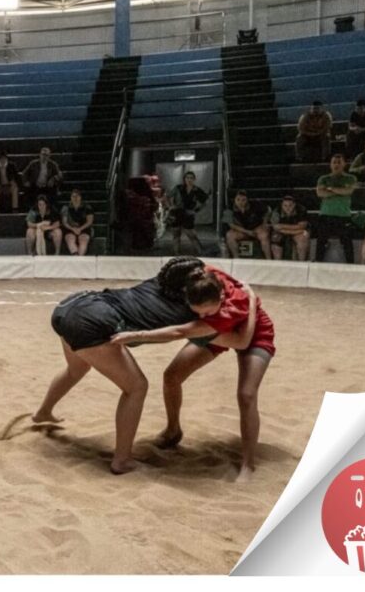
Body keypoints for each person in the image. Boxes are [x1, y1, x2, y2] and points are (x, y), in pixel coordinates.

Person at [33, 257, 258, 475]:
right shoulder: (189, 316)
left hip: (71, 305)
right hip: (90, 323)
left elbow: (198, 270)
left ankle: (43, 412)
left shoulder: (162, 282)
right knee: (136, 387)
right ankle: (122, 461)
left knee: (76, 369)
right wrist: (250, 301)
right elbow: (239, 341)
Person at [110, 264, 271, 482]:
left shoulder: (234, 306)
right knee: (172, 376)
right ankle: (173, 430)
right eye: (198, 312)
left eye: (206, 312)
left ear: (220, 297)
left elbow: (240, 341)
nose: (201, 315)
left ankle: (248, 464)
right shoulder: (204, 277)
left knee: (247, 394)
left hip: (252, 334)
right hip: (215, 332)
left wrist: (251, 301)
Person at [315, 154, 358, 264]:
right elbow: (320, 193)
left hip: (343, 215)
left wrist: (330, 189)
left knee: (347, 242)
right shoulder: (323, 178)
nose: (336, 165)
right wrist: (340, 191)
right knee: (321, 241)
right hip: (326, 214)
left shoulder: (351, 178)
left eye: (339, 162)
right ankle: (318, 263)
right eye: (334, 162)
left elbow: (348, 191)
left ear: (344, 164)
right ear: (330, 164)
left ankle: (351, 265)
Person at [167, 171, 208, 254]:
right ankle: (176, 254)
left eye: (191, 178)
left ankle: (201, 254)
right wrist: (170, 207)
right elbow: (167, 196)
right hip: (177, 213)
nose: (189, 180)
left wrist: (196, 210)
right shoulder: (178, 188)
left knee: (192, 236)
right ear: (184, 179)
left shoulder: (197, 190)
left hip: (188, 214)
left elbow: (204, 202)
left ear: (194, 179)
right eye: (187, 178)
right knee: (176, 235)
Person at [223, 190, 270, 259]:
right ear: (234, 200)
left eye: (243, 200)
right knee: (229, 235)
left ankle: (269, 259)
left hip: (256, 229)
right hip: (242, 230)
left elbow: (268, 210)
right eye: (238, 200)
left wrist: (264, 223)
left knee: (264, 235)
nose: (240, 202)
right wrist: (247, 232)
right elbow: (231, 225)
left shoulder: (256, 205)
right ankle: (236, 258)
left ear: (247, 200)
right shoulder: (229, 209)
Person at [269, 195, 310, 261]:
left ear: (294, 205)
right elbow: (276, 228)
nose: (287, 208)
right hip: (292, 231)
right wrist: (298, 230)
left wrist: (282, 226)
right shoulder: (276, 211)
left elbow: (302, 226)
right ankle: (277, 263)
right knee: (275, 238)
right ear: (282, 205)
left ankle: (302, 263)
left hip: (296, 232)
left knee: (303, 239)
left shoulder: (301, 209)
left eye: (290, 205)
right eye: (285, 205)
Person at [61, 189, 94, 256]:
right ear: (71, 198)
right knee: (70, 239)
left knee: (83, 240)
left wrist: (80, 229)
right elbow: (64, 222)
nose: (75, 198)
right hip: (70, 229)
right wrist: (73, 229)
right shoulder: (65, 208)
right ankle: (76, 256)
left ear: (80, 197)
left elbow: (89, 221)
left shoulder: (87, 207)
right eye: (73, 196)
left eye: (77, 196)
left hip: (84, 229)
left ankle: (79, 258)